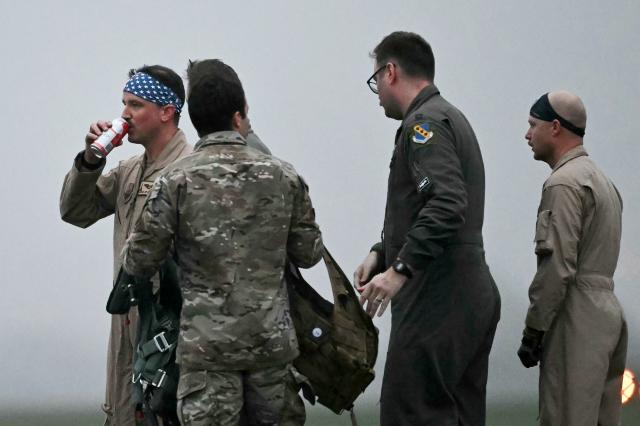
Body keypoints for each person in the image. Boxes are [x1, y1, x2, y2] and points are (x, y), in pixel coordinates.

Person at [121, 59, 323, 425]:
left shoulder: (175, 181)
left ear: (194, 118)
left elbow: (138, 260)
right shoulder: (284, 176)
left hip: (207, 356)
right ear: (240, 114)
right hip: (271, 355)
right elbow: (309, 254)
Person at [354, 31, 500, 425]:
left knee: (411, 413)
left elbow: (447, 204)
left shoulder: (425, 125)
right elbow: (427, 206)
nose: (377, 93)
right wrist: (381, 251)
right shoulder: (450, 117)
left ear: (390, 72)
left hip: (438, 295)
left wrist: (399, 269)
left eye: (375, 83)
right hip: (468, 293)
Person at [60, 64, 191, 425]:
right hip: (126, 323)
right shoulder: (130, 170)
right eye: (123, 103)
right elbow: (75, 211)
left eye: (135, 105)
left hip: (169, 329)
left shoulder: (191, 169)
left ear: (167, 112)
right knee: (122, 412)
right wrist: (91, 160)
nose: (123, 114)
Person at [518, 90, 627, 425]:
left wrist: (534, 330)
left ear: (555, 127)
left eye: (532, 125)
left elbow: (557, 268)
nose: (527, 134)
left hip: (575, 317)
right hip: (608, 315)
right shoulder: (604, 183)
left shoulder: (563, 184)